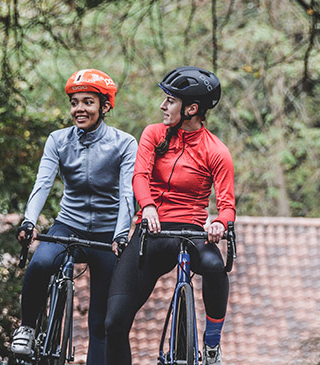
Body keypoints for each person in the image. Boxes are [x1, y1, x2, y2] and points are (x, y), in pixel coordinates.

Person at [105, 66, 236, 365]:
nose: (162, 106)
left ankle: (212, 344)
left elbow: (227, 206)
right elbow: (139, 176)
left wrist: (218, 223)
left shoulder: (216, 151)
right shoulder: (153, 133)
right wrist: (148, 205)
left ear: (191, 109)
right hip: (150, 233)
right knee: (113, 324)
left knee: (216, 268)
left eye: (170, 101)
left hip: (190, 232)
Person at [11, 68, 137, 364]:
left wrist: (121, 234)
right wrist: (30, 220)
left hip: (107, 235)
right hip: (69, 226)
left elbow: (127, 195)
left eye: (88, 102)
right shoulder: (58, 140)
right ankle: (27, 328)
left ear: (105, 106)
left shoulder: (124, 143)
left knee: (100, 321)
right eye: (74, 102)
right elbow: (42, 183)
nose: (79, 108)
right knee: (40, 262)